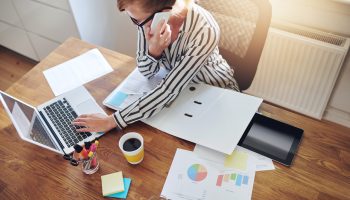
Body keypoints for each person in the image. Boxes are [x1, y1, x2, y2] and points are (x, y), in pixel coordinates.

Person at [72, 0, 239, 133]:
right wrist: (154, 51)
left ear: (164, 12)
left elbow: (169, 89)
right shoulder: (147, 21)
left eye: (138, 20)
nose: (137, 26)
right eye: (133, 19)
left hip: (215, 91)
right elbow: (145, 71)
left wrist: (112, 121)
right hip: (183, 94)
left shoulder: (205, 30)